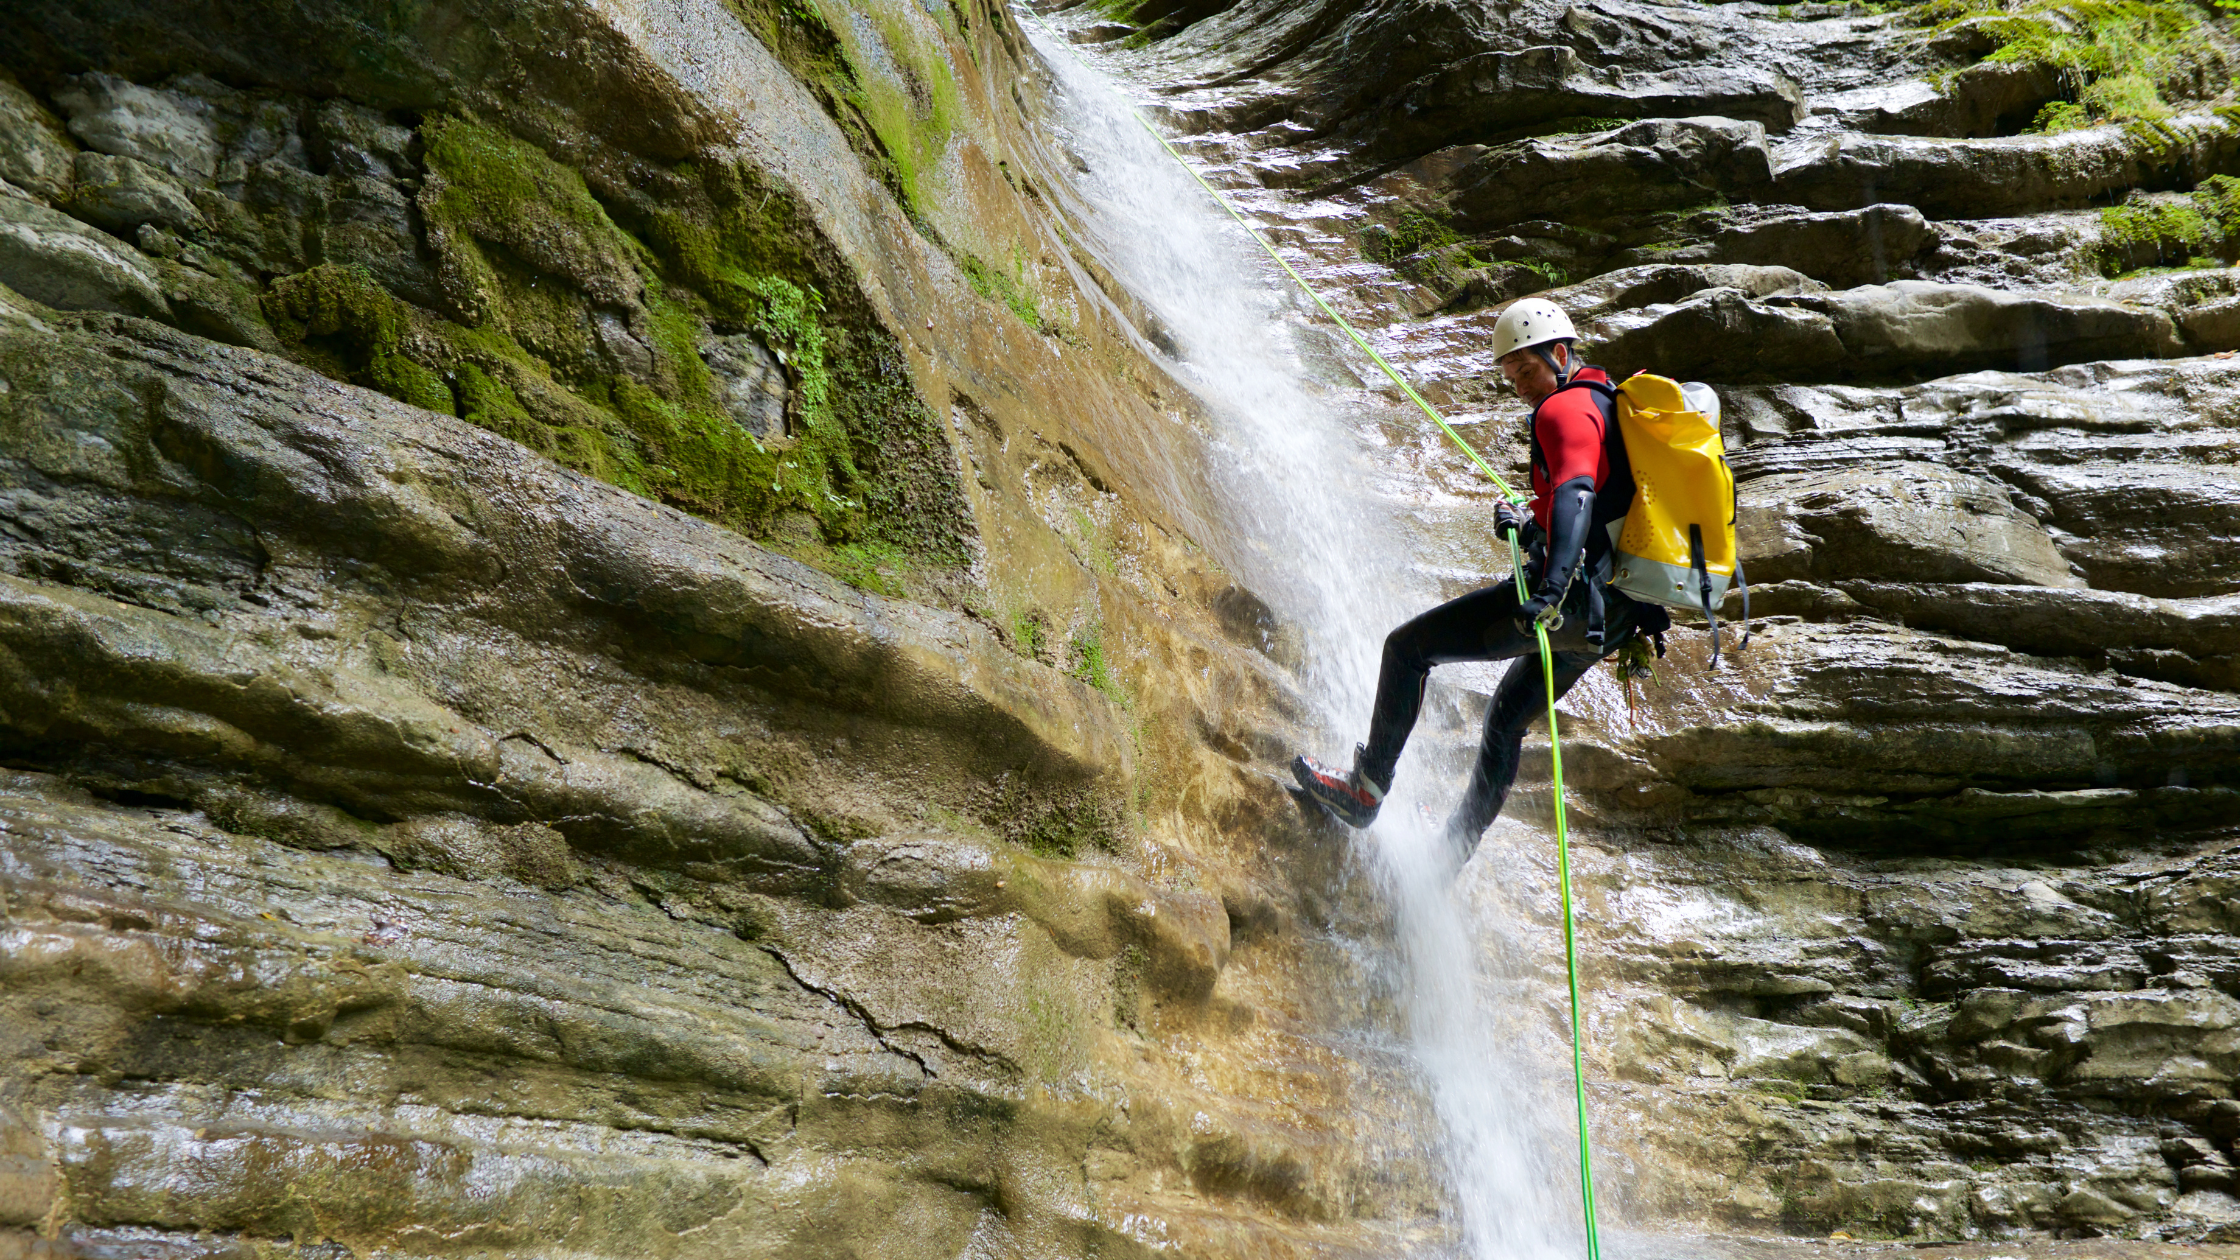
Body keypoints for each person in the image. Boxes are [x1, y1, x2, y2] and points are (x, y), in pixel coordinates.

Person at [1291, 298, 1668, 864]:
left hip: (1564, 603)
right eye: (1511, 376)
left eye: (1528, 370)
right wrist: (1530, 522)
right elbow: (1591, 507)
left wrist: (1549, 587)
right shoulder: (1606, 406)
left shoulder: (1562, 409)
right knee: (1505, 722)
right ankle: (1450, 856)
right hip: (1611, 618)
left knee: (1407, 650)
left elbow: (1577, 494)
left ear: (1560, 354)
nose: (1520, 386)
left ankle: (1364, 791)